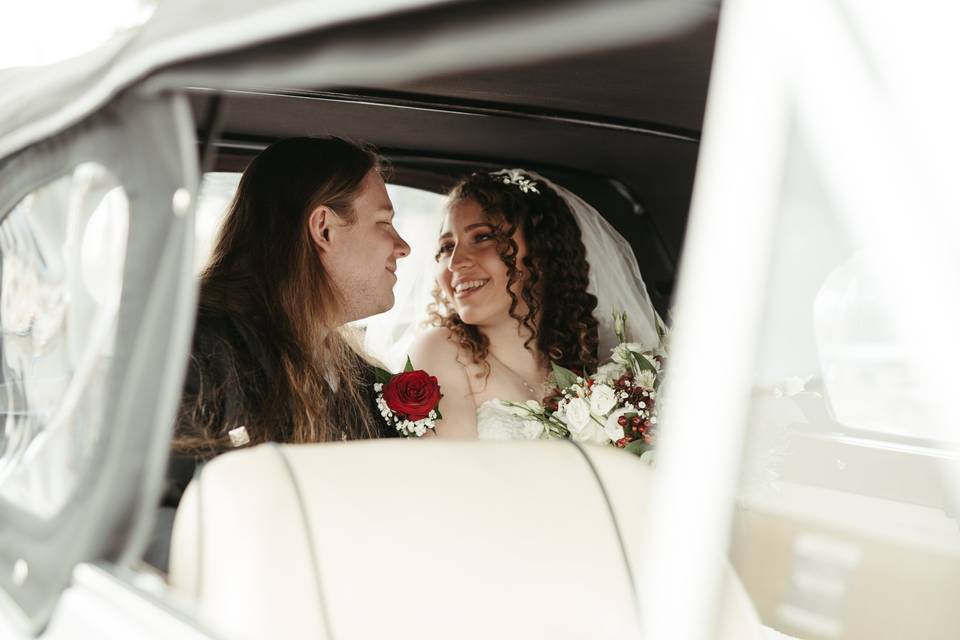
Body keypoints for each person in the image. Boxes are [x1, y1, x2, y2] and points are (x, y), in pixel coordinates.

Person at [147, 137, 410, 569]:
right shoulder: (195, 350)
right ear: (323, 229)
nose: (402, 247)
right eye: (384, 222)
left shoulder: (359, 378)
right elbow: (153, 526)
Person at [408, 169, 664, 439]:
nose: (455, 261)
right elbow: (450, 475)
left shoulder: (593, 362)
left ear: (541, 251)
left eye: (482, 237)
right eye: (446, 247)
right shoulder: (441, 351)